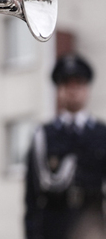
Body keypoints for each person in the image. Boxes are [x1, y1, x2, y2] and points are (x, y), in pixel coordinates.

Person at [25, 53, 106, 239]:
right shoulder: (44, 136)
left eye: (78, 84)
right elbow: (31, 197)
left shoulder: (101, 134)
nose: (73, 90)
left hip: (92, 223)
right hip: (54, 225)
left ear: (87, 89)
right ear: (59, 90)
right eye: (67, 84)